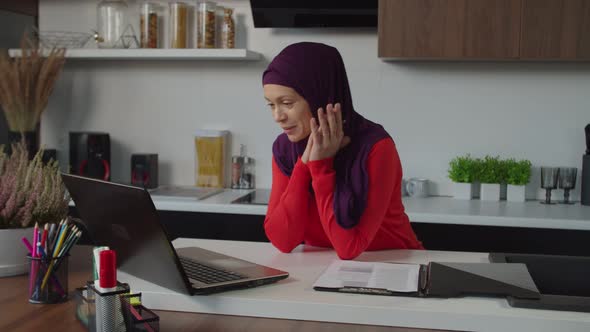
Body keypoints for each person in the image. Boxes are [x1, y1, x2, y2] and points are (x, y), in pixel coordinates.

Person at [262, 42, 423, 260]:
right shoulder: (284, 149)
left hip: (394, 263)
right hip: (319, 264)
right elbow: (283, 241)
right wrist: (304, 166)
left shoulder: (376, 147)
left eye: (287, 103)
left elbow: (350, 248)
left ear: (319, 93)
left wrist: (321, 167)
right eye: (271, 105)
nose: (277, 116)